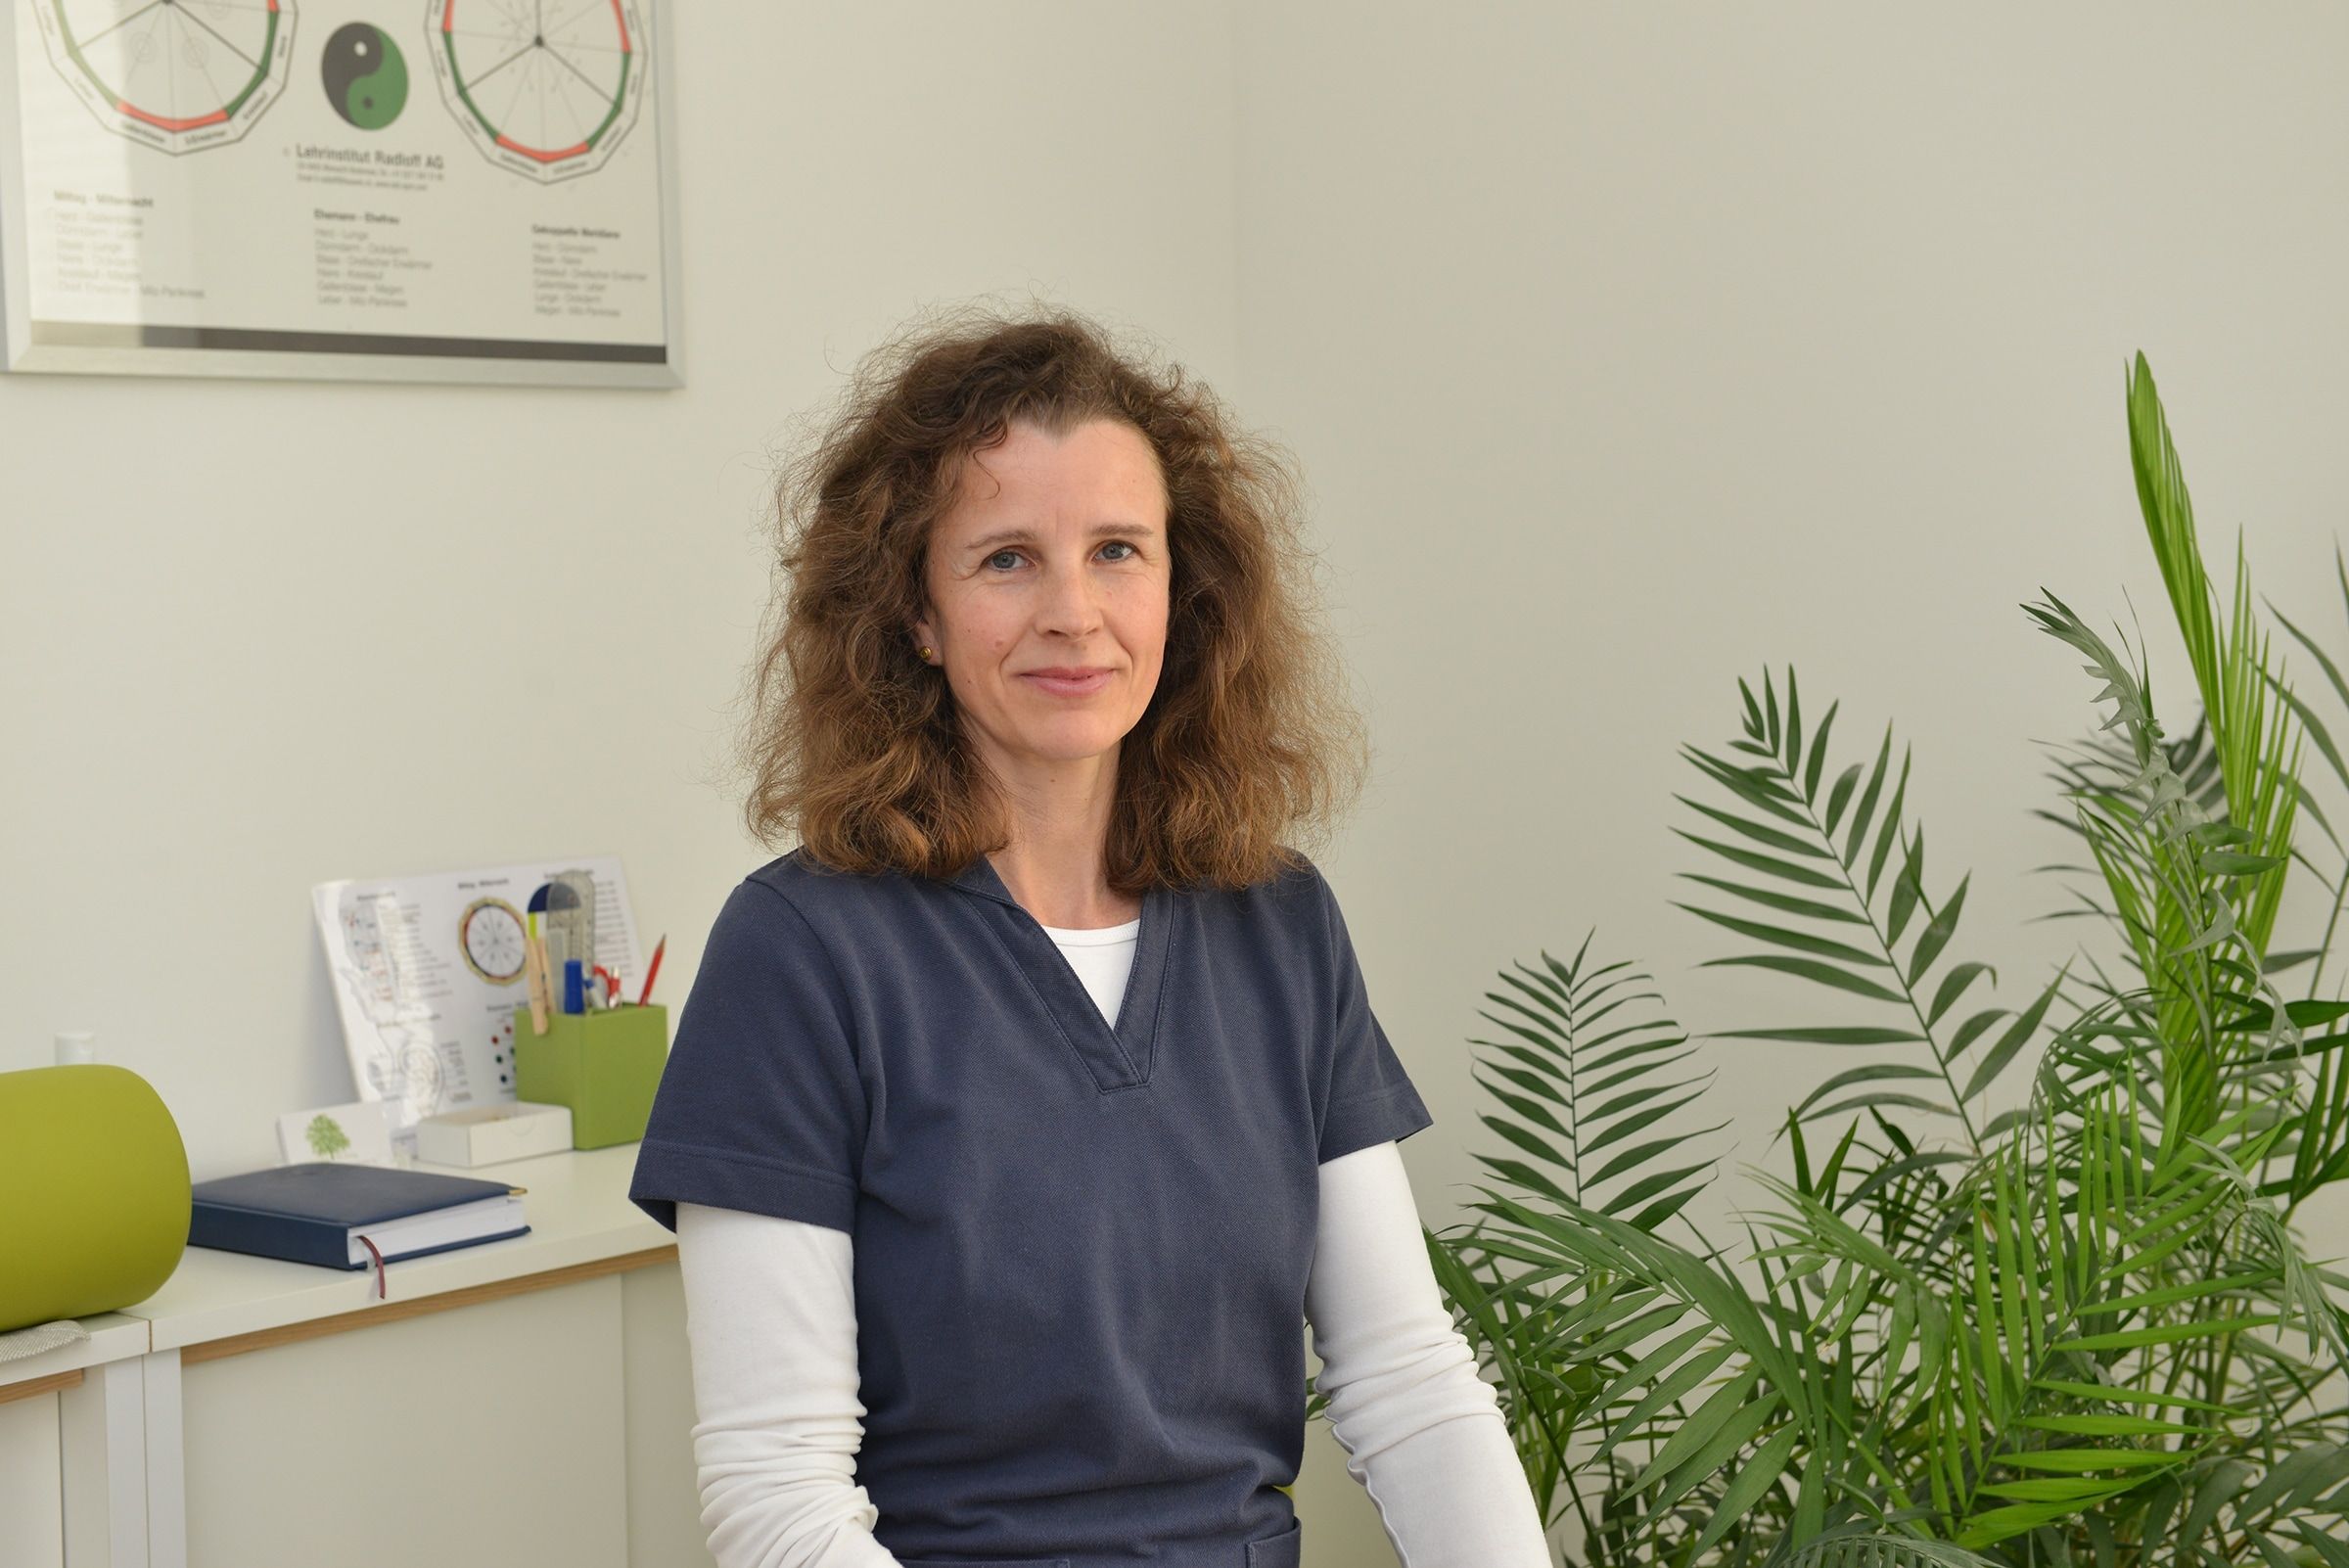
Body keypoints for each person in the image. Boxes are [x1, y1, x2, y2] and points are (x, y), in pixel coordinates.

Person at [627, 301, 1552, 1568]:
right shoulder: (800, 952)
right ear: (915, 612)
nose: (1073, 610)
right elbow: (776, 1498)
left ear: (1183, 587)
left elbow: (1410, 1384)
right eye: (1007, 559)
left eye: (1118, 549)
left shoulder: (1279, 921)